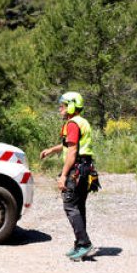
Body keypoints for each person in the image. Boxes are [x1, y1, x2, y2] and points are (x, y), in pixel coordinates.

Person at [39, 91, 97, 261]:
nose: (60, 108)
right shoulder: (82, 122)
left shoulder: (72, 124)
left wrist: (63, 175)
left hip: (76, 168)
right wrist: (51, 150)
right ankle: (80, 244)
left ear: (71, 106)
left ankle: (84, 244)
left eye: (63, 105)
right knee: (79, 206)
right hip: (87, 167)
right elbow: (68, 145)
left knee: (70, 205)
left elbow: (72, 151)